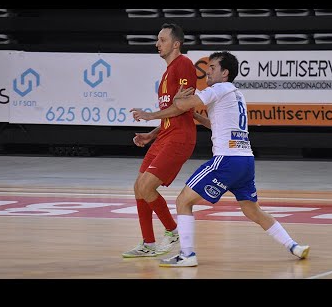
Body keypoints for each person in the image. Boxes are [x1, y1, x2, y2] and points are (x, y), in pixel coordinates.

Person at [131, 51, 310, 267]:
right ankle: (294, 246)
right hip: (246, 161)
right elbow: (212, 124)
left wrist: (164, 108)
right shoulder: (237, 94)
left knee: (183, 201)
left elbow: (182, 106)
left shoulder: (218, 88)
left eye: (213, 68)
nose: (208, 72)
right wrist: (193, 114)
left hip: (226, 160)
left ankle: (187, 255)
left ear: (225, 73)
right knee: (252, 210)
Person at [122, 23, 197, 258]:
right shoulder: (167, 72)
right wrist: (152, 133)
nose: (157, 44)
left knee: (147, 186)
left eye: (162, 40)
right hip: (164, 136)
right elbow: (173, 111)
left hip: (179, 138)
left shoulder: (183, 64)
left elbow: (183, 107)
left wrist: (150, 115)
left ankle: (172, 231)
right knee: (138, 187)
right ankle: (148, 243)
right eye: (157, 39)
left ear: (176, 44)